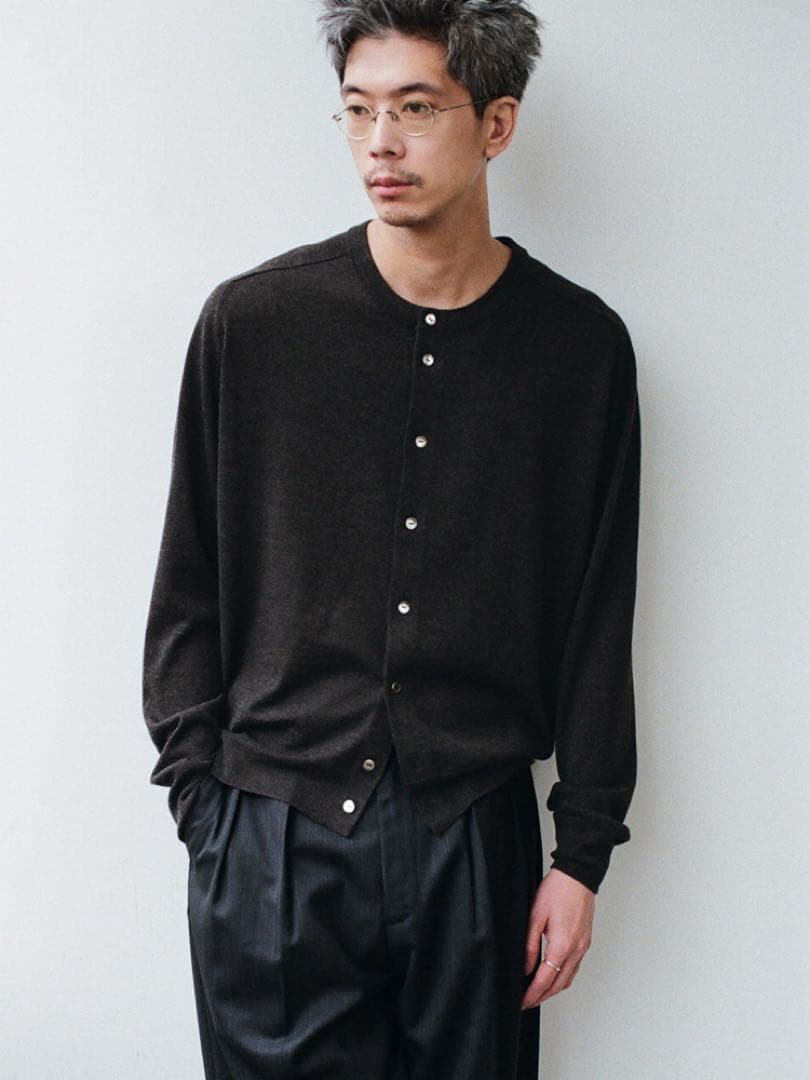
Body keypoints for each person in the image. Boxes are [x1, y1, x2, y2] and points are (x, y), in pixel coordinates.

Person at [141, 2, 641, 1076]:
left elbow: (599, 617)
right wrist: (207, 816)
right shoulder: (255, 324)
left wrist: (582, 854)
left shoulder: (579, 351)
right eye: (359, 110)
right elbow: (190, 586)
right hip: (272, 832)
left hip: (476, 838)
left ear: (496, 124)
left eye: (416, 108)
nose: (381, 143)